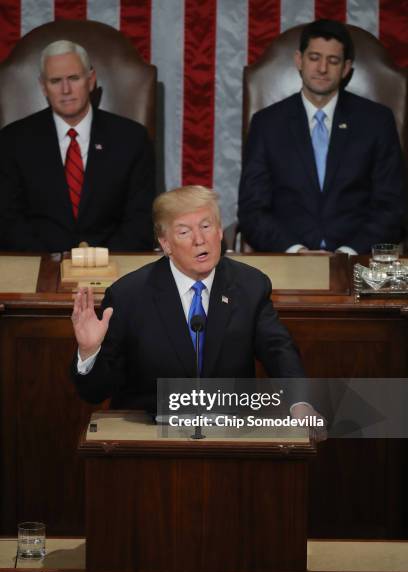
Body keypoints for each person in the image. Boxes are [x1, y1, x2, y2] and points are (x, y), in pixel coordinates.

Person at [71, 185, 314, 421]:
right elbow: (95, 393)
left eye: (206, 226)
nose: (199, 240)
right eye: (184, 232)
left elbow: (278, 350)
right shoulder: (129, 296)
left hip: (229, 436)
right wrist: (90, 351)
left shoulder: (250, 286)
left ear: (219, 231)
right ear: (165, 243)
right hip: (151, 440)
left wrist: (299, 402)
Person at [238, 19, 406, 254]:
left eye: (333, 60)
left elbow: (392, 207)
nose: (322, 68)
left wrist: (348, 252)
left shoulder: (376, 122)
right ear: (300, 60)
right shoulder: (267, 124)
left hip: (357, 260)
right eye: (314, 58)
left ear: (346, 68)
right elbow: (252, 210)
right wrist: (295, 251)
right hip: (287, 259)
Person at [0, 40, 154, 252]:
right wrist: (49, 262)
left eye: (74, 78)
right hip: (38, 264)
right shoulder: (13, 140)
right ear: (43, 87)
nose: (66, 90)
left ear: (90, 80)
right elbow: (8, 218)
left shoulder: (132, 138)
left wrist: (100, 260)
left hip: (113, 264)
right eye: (55, 81)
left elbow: (140, 218)